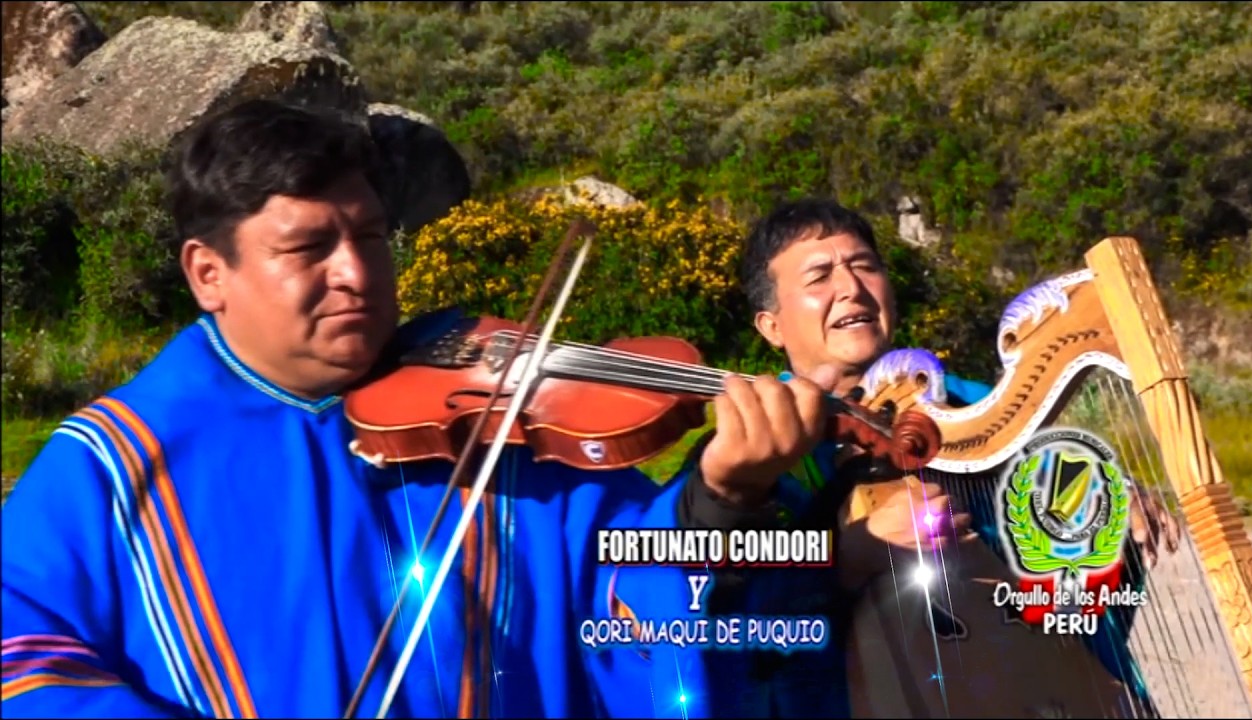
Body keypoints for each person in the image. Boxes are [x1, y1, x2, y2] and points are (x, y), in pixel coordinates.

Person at [0, 99, 837, 719]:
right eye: (307, 248)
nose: (358, 276)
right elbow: (21, 656)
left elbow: (635, 611)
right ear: (206, 273)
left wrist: (722, 501)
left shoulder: (505, 426)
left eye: (369, 237)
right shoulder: (116, 460)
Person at [681, 198, 1181, 716]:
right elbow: (714, 618)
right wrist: (850, 557)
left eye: (864, 266)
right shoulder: (748, 449)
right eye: (819, 276)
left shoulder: (974, 406)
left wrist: (1112, 517)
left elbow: (1068, 585)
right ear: (772, 327)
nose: (851, 288)